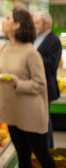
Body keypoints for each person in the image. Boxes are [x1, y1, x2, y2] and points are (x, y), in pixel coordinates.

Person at [0, 8, 56, 168]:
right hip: (12, 115)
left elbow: (40, 85)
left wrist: (16, 83)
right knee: (23, 157)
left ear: (17, 25)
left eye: (7, 18)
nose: (3, 21)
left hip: (31, 116)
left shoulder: (31, 53)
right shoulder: (0, 48)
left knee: (43, 157)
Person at [33, 11, 62, 148]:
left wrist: (32, 57)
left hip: (45, 86)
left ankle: (48, 149)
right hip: (34, 86)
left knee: (45, 121)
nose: (35, 25)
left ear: (47, 24)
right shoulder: (35, 37)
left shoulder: (54, 40)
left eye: (37, 22)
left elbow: (51, 64)